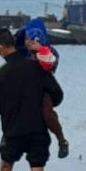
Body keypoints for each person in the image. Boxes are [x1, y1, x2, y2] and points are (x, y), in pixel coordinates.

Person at [0, 27, 64, 171]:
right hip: (38, 129)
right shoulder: (37, 67)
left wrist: (11, 109)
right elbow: (57, 94)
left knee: (5, 169)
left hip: (13, 129)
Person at [15, 18, 70, 159]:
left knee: (48, 113)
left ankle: (61, 140)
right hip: (24, 89)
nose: (30, 42)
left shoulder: (51, 52)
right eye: (28, 38)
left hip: (44, 88)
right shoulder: (22, 51)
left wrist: (40, 50)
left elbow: (50, 65)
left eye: (34, 39)